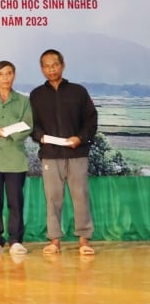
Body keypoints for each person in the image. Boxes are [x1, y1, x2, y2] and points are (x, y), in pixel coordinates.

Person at [29, 49, 98, 256]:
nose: (51, 69)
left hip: (77, 154)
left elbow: (91, 120)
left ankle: (84, 240)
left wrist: (80, 138)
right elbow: (33, 124)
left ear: (63, 65)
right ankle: (54, 240)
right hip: (50, 155)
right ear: (42, 69)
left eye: (55, 65)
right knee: (52, 198)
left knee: (81, 196)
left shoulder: (78, 91)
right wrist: (40, 136)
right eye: (47, 66)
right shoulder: (36, 95)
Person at [0, 61, 33, 256]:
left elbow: (28, 125)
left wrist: (10, 133)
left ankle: (16, 240)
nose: (5, 77)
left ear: (14, 75)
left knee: (15, 202)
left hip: (15, 159)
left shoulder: (23, 100)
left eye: (9, 73)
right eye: (1, 74)